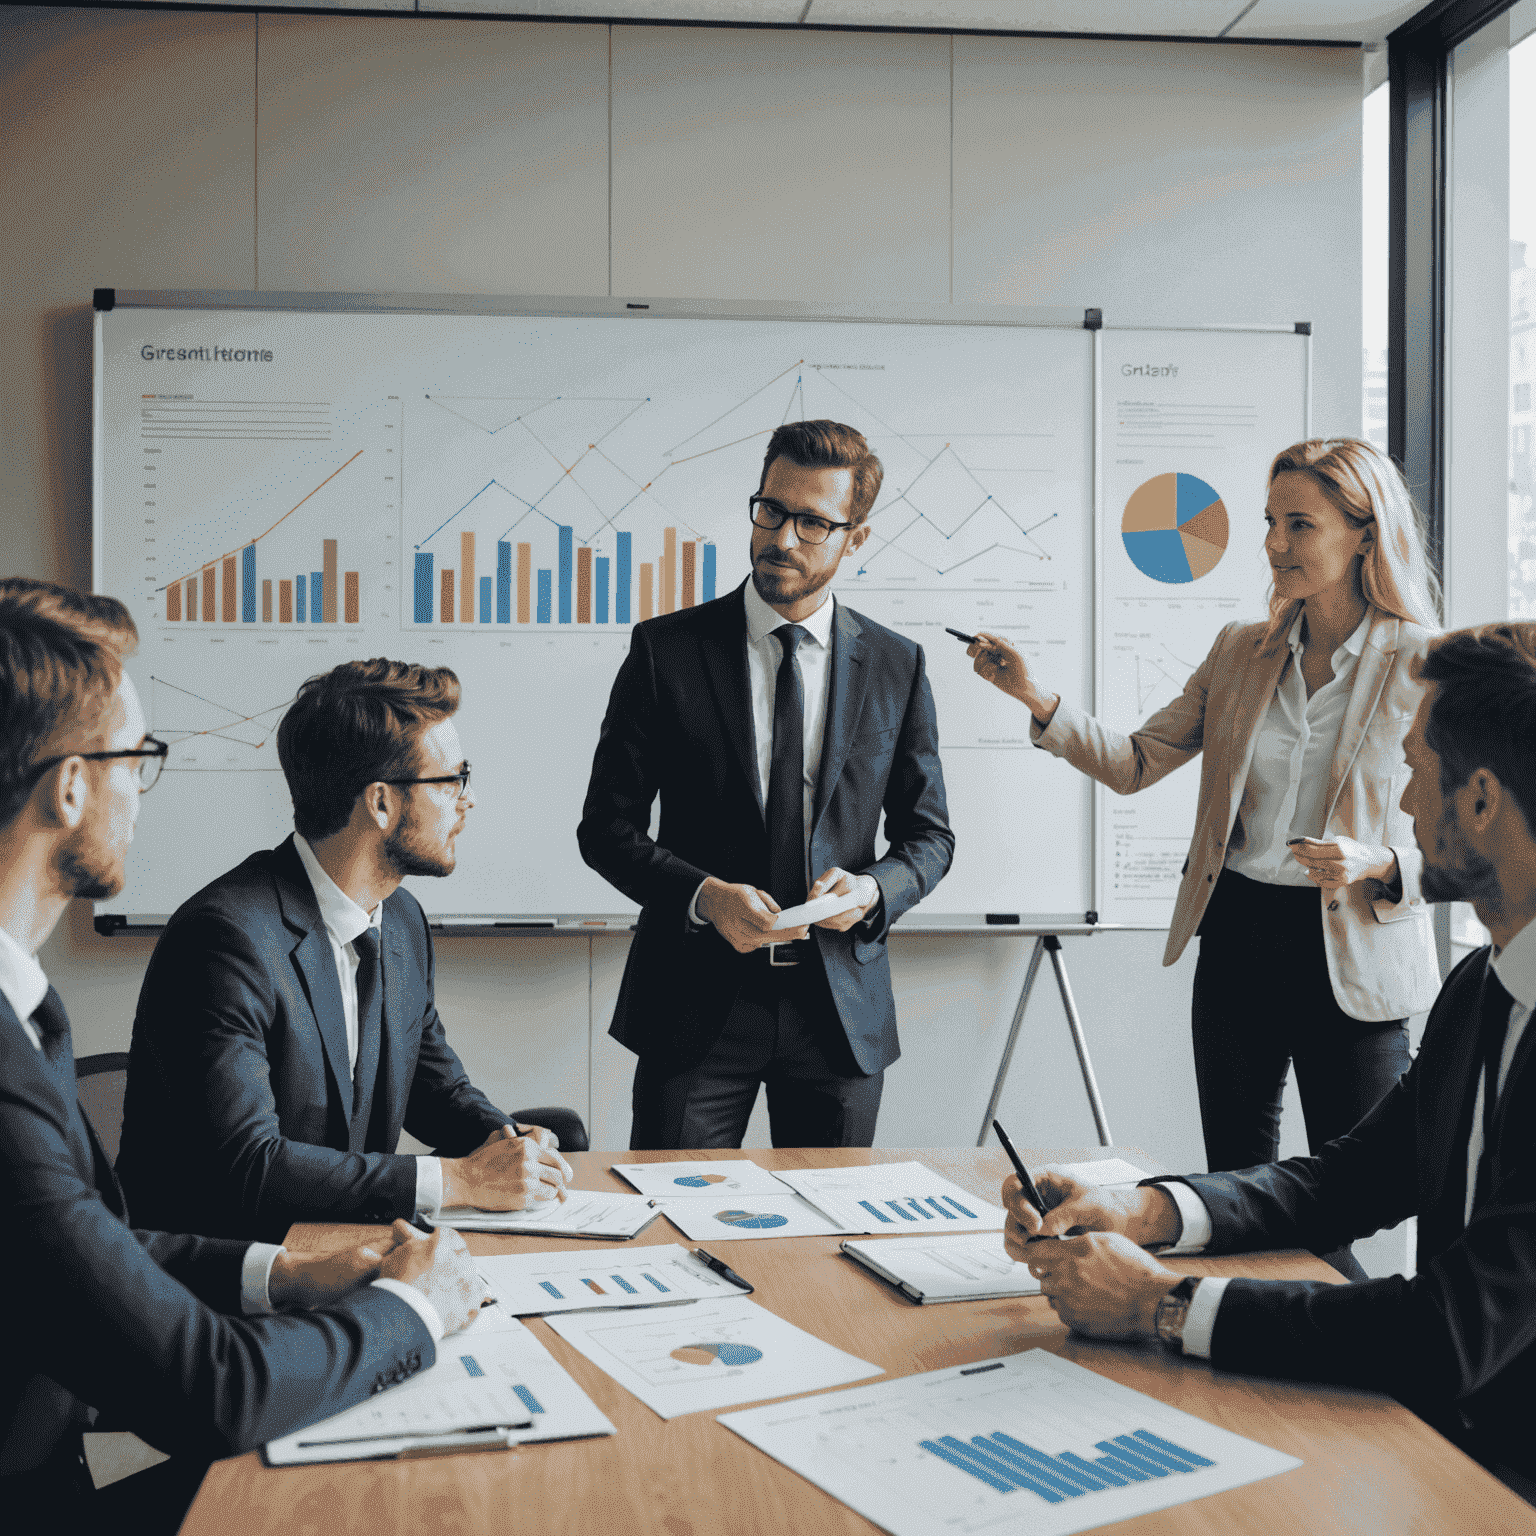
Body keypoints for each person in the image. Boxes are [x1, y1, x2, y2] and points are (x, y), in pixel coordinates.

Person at [1001, 622, 1536, 1502]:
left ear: (1479, 800)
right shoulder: (1483, 987)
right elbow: (1344, 1182)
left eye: (1416, 770)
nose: (1401, 805)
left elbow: (1450, 1330)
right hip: (1450, 1450)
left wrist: (1160, 1306)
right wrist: (1144, 1210)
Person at [0, 579, 482, 1534]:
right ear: (68, 786)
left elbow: (83, 1243)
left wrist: (291, 1275)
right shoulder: (213, 937)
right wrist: (412, 1313)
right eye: (136, 758)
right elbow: (213, 1386)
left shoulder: (28, 1013)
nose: (142, 787)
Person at [968, 438, 1440, 1277]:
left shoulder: (1423, 661)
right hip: (1240, 936)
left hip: (1354, 949)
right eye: (1270, 521)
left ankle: (1328, 1359)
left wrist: (1379, 860)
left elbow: (1481, 832)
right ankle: (1252, 1362)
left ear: (1365, 534)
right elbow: (1136, 761)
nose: (1273, 544)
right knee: (1230, 1189)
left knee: (1354, 1198)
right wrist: (1036, 697)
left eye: (1301, 523)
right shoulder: (1240, 651)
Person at [578, 420, 954, 1149]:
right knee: (674, 1226)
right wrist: (703, 896)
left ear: (856, 539)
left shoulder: (896, 666)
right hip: (693, 1004)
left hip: (839, 1010)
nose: (781, 538)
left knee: (830, 1248)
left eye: (813, 522)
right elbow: (607, 829)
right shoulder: (666, 651)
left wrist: (873, 890)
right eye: (771, 510)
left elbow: (929, 837)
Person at [117, 658, 573, 1243]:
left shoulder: (401, 919)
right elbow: (248, 1168)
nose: (469, 800)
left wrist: (505, 1142)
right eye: (453, 779)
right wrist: (455, 1181)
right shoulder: (225, 939)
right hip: (225, 1286)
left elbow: (436, 1090)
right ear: (381, 804)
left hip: (341, 1252)